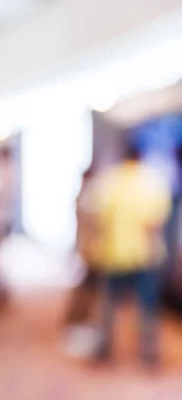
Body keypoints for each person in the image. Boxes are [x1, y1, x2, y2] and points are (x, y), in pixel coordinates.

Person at [92, 142, 172, 367]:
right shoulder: (152, 182)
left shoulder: (110, 180)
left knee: (109, 305)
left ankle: (105, 350)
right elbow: (155, 222)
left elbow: (99, 217)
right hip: (144, 255)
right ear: (141, 156)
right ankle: (149, 355)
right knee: (147, 306)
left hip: (114, 254)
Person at [63, 167, 102, 357]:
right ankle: (76, 323)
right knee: (85, 291)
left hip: (87, 250)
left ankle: (77, 322)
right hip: (90, 251)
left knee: (86, 290)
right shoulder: (88, 197)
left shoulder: (83, 196)